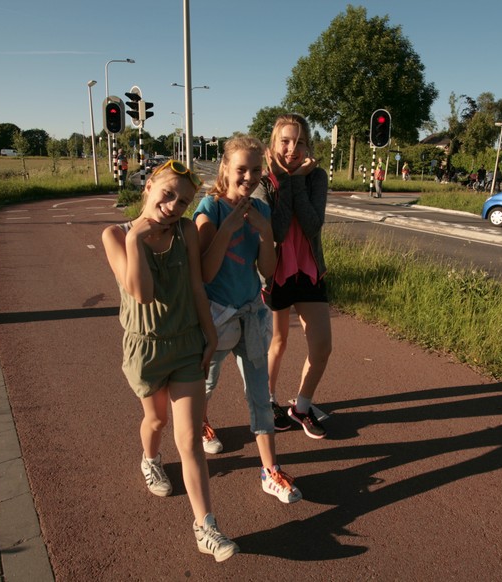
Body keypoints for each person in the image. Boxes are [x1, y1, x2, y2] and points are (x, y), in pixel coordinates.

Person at [101, 159, 238, 562]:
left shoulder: (185, 231)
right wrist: (135, 239)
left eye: (183, 201)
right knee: (157, 420)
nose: (174, 206)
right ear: (148, 188)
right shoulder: (115, 235)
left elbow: (196, 285)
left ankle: (206, 527)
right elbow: (142, 294)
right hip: (145, 348)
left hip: (186, 343)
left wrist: (210, 335)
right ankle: (150, 459)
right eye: (168, 194)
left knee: (189, 439)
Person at [193, 135, 302, 504]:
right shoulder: (209, 209)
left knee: (259, 394)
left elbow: (267, 271)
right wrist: (229, 227)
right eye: (242, 169)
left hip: (252, 313)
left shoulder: (261, 211)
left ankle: (270, 471)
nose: (249, 177)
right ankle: (201, 424)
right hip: (217, 317)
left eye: (256, 170)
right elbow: (206, 273)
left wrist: (265, 231)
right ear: (225, 167)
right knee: (207, 383)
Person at [253, 113, 332, 440]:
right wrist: (286, 181)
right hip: (275, 274)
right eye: (285, 141)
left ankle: (301, 406)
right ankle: (268, 401)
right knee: (278, 341)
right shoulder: (262, 183)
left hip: (309, 272)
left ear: (308, 146)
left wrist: (298, 180)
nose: (292, 148)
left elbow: (312, 225)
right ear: (273, 146)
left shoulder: (317, 178)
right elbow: (279, 230)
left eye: (299, 142)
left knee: (322, 346)